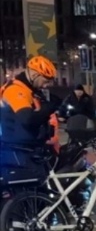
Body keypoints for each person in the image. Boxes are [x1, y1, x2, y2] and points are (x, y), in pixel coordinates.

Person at [0, 55, 60, 185]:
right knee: (32, 192)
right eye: (45, 80)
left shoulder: (29, 90)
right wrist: (48, 108)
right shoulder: (15, 90)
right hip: (18, 151)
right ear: (34, 74)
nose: (46, 85)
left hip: (29, 148)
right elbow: (28, 118)